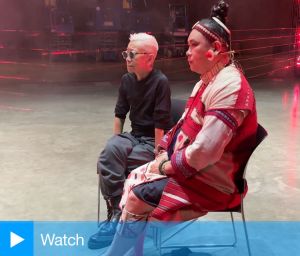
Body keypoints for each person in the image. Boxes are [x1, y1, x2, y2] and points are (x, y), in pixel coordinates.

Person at [100, 1, 258, 255]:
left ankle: (117, 252)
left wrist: (163, 164)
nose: (187, 52)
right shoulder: (205, 83)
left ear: (215, 49)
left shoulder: (230, 87)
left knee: (137, 193)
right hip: (190, 166)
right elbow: (179, 128)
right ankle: (133, 247)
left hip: (211, 179)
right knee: (131, 174)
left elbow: (204, 152)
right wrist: (164, 152)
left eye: (193, 45)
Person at [88, 32, 172, 249]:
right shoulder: (126, 80)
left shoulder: (160, 82)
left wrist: (158, 153)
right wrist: (115, 143)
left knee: (116, 162)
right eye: (126, 53)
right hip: (133, 136)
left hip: (152, 141)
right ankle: (118, 211)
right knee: (108, 154)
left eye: (132, 54)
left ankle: (119, 218)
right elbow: (120, 113)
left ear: (149, 58)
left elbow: (160, 123)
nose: (127, 58)